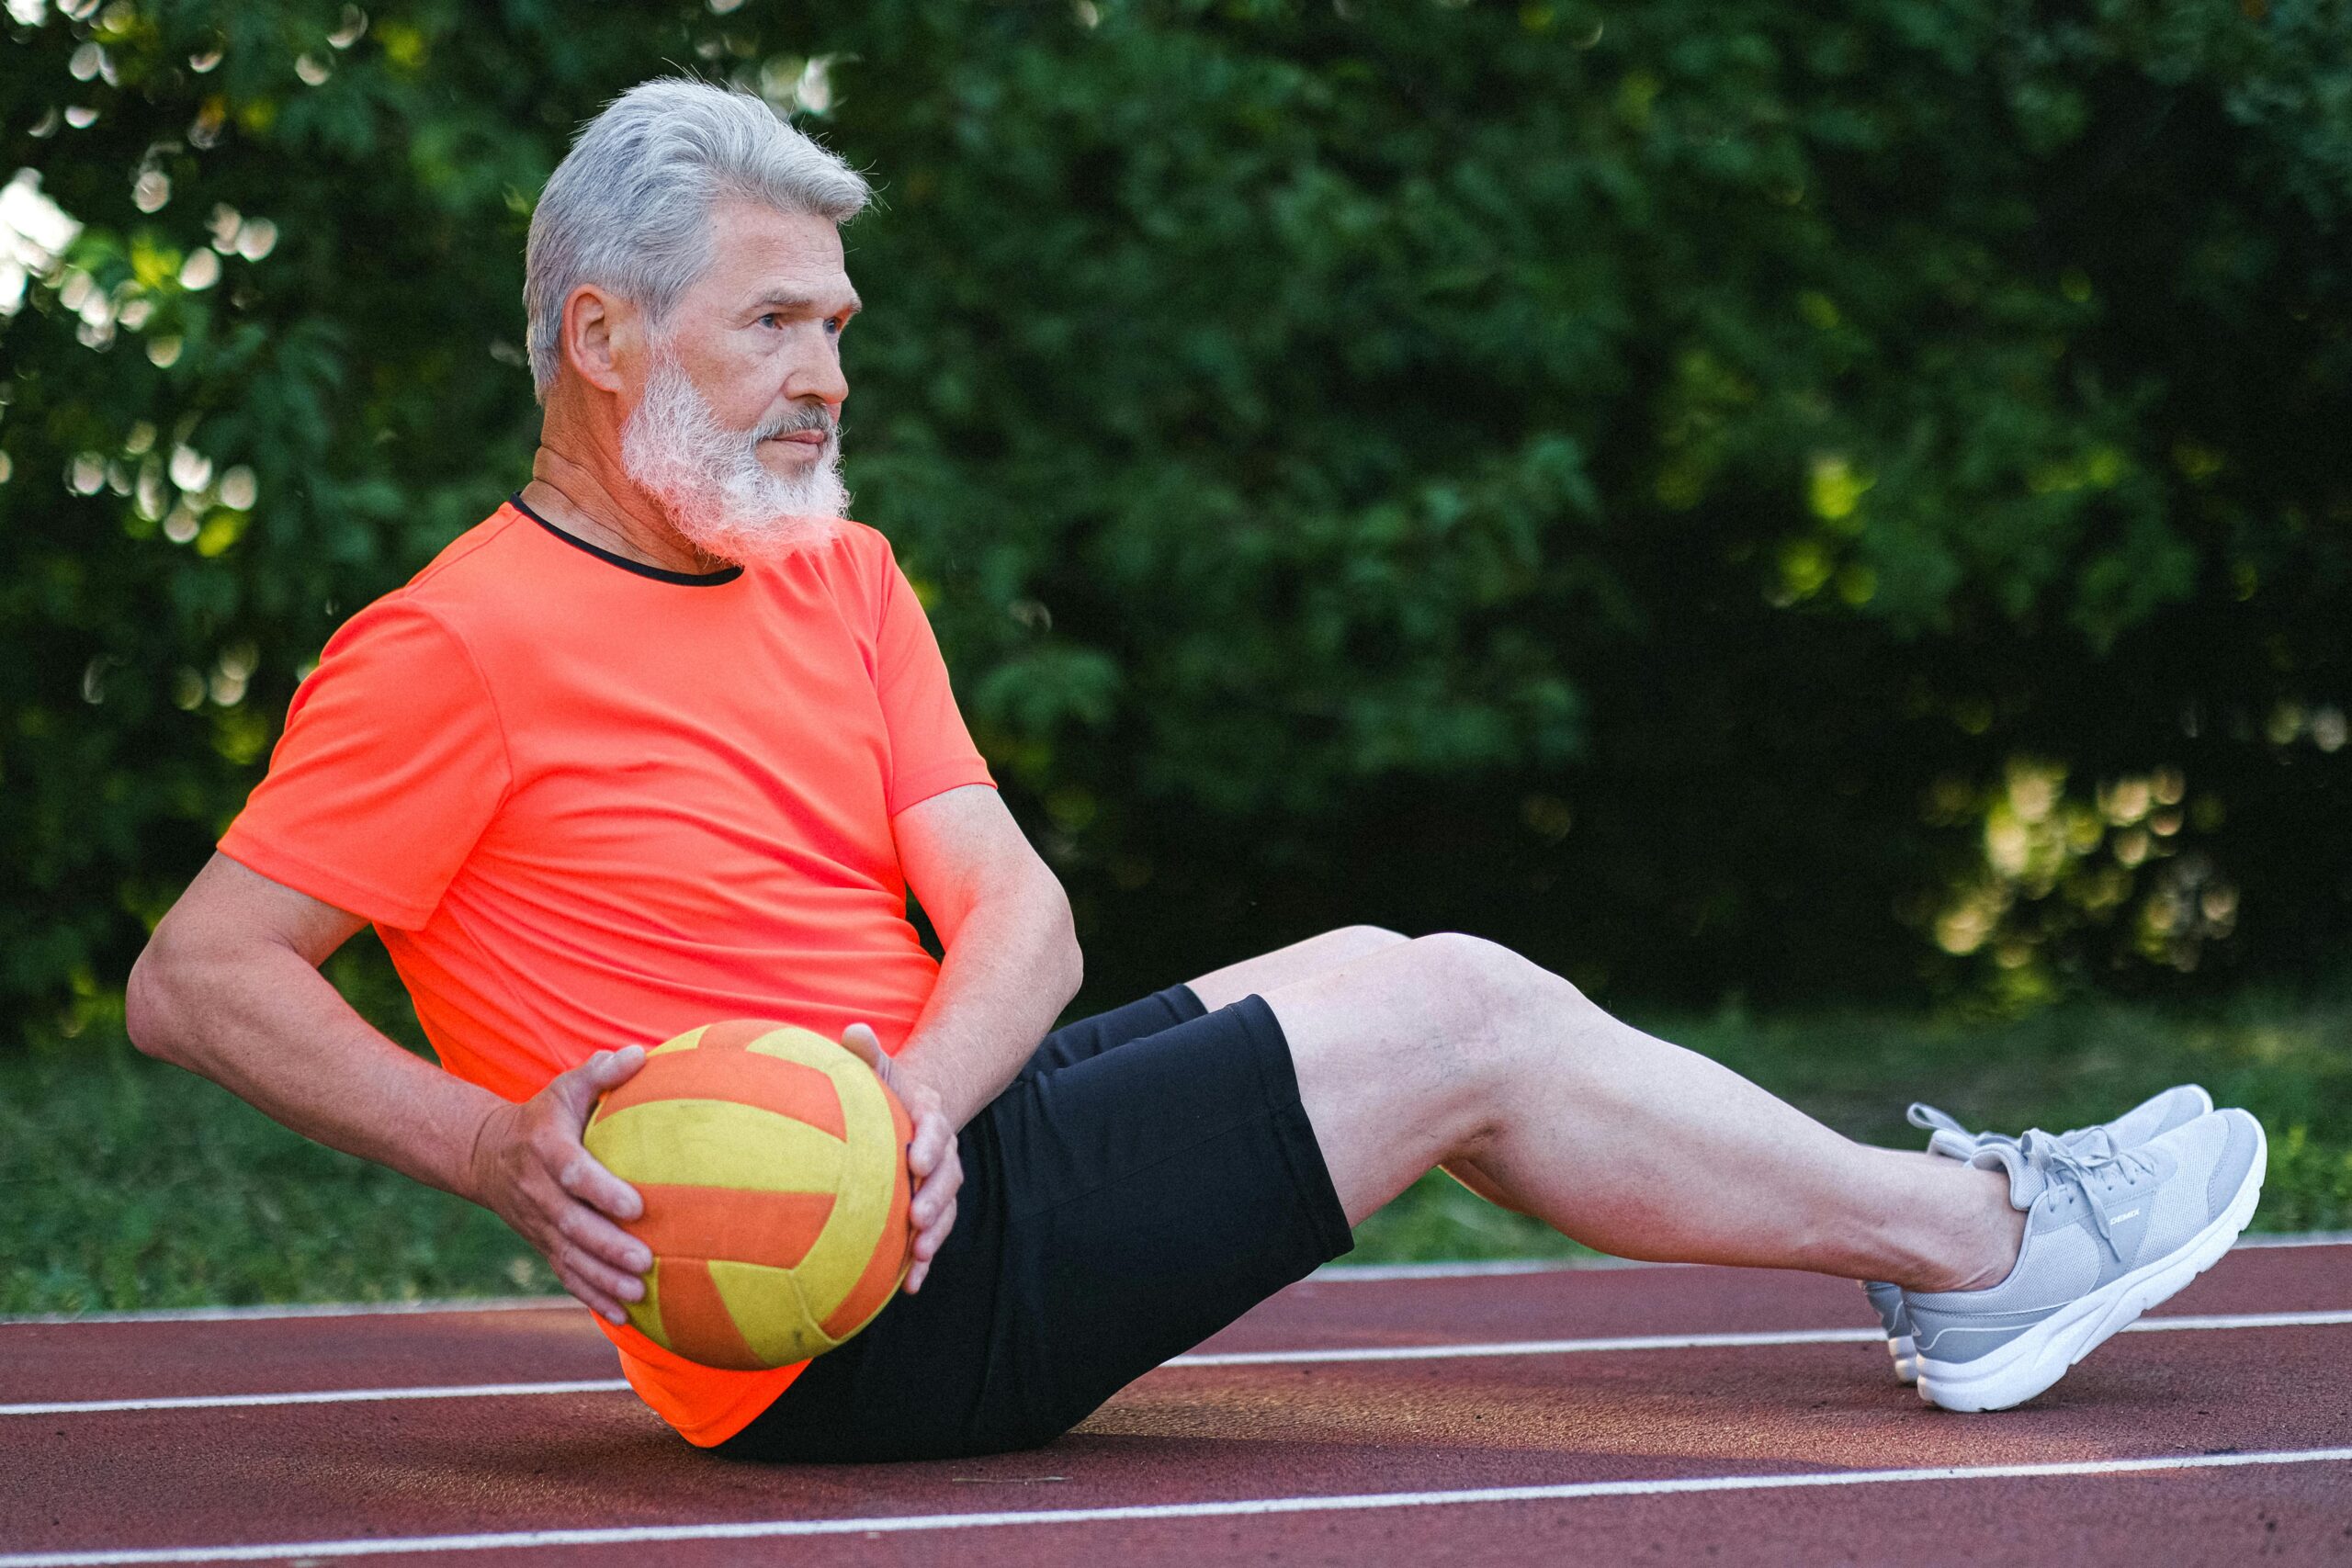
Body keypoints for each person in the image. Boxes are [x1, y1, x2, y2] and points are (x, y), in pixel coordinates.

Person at [126, 78, 2266, 1461]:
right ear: (602, 339)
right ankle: (1985, 1242)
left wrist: (916, 1100)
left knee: (1392, 961)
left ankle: (1952, 1251)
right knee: (1452, 1014)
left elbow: (1021, 914)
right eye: (774, 322)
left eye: (839, 325)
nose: (825, 372)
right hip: (818, 1315)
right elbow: (199, 978)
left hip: (927, 1155)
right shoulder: (450, 645)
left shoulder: (832, 572)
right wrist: (503, 1149)